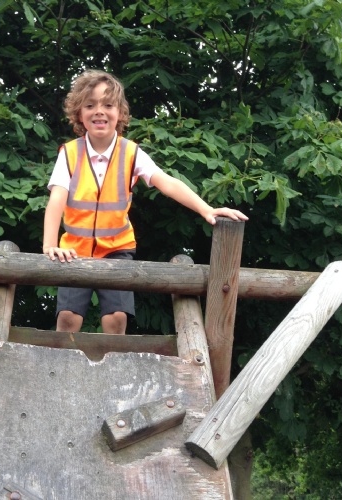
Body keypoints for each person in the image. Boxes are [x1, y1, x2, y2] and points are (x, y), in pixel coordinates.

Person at [43, 69, 248, 335]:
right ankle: (61, 360)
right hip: (74, 250)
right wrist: (50, 245)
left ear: (120, 112)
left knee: (116, 318)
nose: (99, 111)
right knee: (68, 318)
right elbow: (57, 198)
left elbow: (167, 182)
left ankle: (112, 360)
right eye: (90, 105)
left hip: (116, 248)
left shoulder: (130, 152)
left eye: (108, 105)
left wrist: (206, 209)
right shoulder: (70, 152)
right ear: (79, 113)